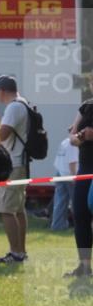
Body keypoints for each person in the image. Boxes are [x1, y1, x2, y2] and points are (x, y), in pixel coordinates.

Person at [0, 76, 31, 264]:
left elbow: (2, 134)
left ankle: (16, 253)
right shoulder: (24, 104)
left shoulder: (14, 107)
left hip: (13, 163)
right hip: (21, 162)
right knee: (18, 210)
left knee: (6, 210)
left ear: (2, 90)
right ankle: (20, 251)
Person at [65, 77, 93, 278]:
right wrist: (82, 137)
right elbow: (72, 138)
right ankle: (84, 267)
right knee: (80, 214)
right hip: (85, 168)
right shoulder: (86, 107)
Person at [51, 135, 79, 231]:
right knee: (77, 202)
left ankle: (57, 225)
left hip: (60, 173)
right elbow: (72, 163)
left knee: (59, 202)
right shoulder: (73, 144)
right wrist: (75, 179)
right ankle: (80, 226)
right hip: (69, 175)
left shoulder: (64, 142)